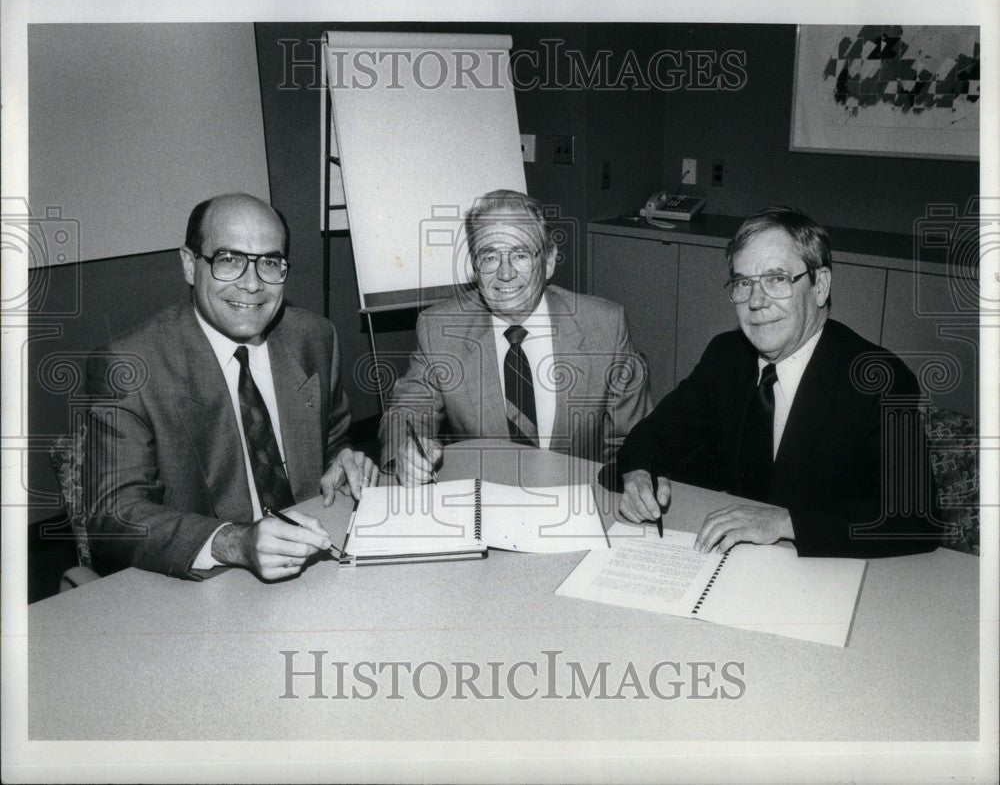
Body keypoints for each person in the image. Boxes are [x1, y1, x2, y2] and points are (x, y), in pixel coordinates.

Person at [613, 206, 944, 559]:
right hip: (732, 561)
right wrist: (636, 474)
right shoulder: (726, 357)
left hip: (828, 576)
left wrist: (784, 522)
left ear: (820, 286)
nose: (756, 302)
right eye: (743, 283)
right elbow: (654, 434)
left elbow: (915, 520)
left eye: (776, 280)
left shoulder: (879, 380)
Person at [84, 194, 378, 580]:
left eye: (270, 262)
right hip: (205, 581)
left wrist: (341, 461)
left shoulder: (314, 337)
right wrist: (236, 543)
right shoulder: (130, 366)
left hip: (315, 557)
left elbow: (333, 442)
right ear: (190, 265)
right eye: (229, 260)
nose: (253, 284)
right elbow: (114, 514)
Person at [380, 189, 651, 484]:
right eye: (490, 257)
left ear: (548, 261)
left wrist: (635, 475)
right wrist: (406, 448)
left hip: (576, 497)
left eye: (520, 255)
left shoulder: (604, 326)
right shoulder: (439, 328)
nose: (505, 273)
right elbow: (407, 412)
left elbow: (632, 439)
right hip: (485, 500)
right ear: (475, 267)